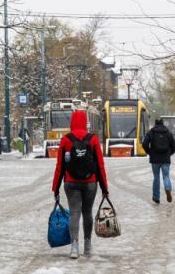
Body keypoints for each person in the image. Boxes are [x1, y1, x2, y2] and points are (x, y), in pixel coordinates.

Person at [52, 110, 108, 259]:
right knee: (87, 212)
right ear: (86, 122)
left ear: (72, 122)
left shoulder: (65, 140)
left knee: (74, 213)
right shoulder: (93, 139)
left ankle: (74, 247)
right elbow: (100, 165)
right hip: (90, 183)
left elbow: (60, 166)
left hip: (71, 182)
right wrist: (104, 188)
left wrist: (55, 188)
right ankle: (88, 246)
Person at [142, 118, 175, 204]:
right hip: (165, 159)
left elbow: (144, 144)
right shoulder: (168, 133)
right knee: (166, 176)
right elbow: (174, 146)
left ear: (155, 123)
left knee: (156, 177)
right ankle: (167, 188)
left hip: (155, 159)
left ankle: (156, 197)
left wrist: (149, 152)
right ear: (162, 123)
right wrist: (169, 154)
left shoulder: (151, 132)